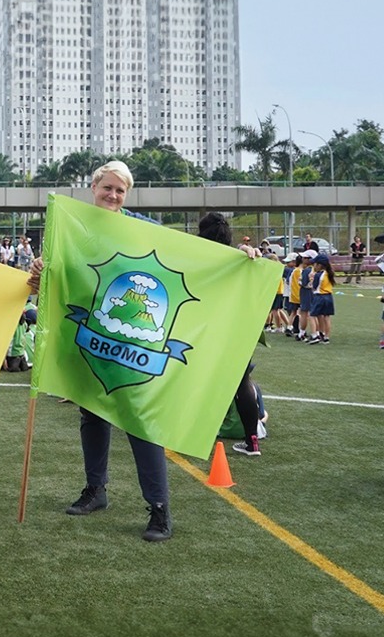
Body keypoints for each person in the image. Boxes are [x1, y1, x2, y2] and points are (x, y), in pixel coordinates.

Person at [27, 160, 172, 541]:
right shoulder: (72, 226)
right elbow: (57, 273)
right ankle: (96, 490)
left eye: (119, 191)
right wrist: (41, 268)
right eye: (107, 187)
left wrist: (242, 256)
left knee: (140, 421)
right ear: (93, 187)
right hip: (93, 336)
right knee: (92, 413)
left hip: (134, 344)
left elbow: (183, 254)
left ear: (127, 196)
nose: (112, 195)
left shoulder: (142, 228)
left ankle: (159, 509)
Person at [197, 212, 265, 457]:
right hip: (238, 329)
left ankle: (195, 434)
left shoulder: (197, 256)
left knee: (197, 380)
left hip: (207, 329)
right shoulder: (243, 258)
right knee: (242, 382)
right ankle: (252, 441)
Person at [307, 253, 335, 345]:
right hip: (329, 296)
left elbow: (313, 287)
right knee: (326, 317)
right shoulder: (329, 273)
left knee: (311, 315)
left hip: (319, 296)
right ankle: (326, 337)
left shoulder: (318, 275)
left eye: (315, 264)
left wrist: (311, 279)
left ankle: (314, 335)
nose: (314, 266)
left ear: (319, 265)